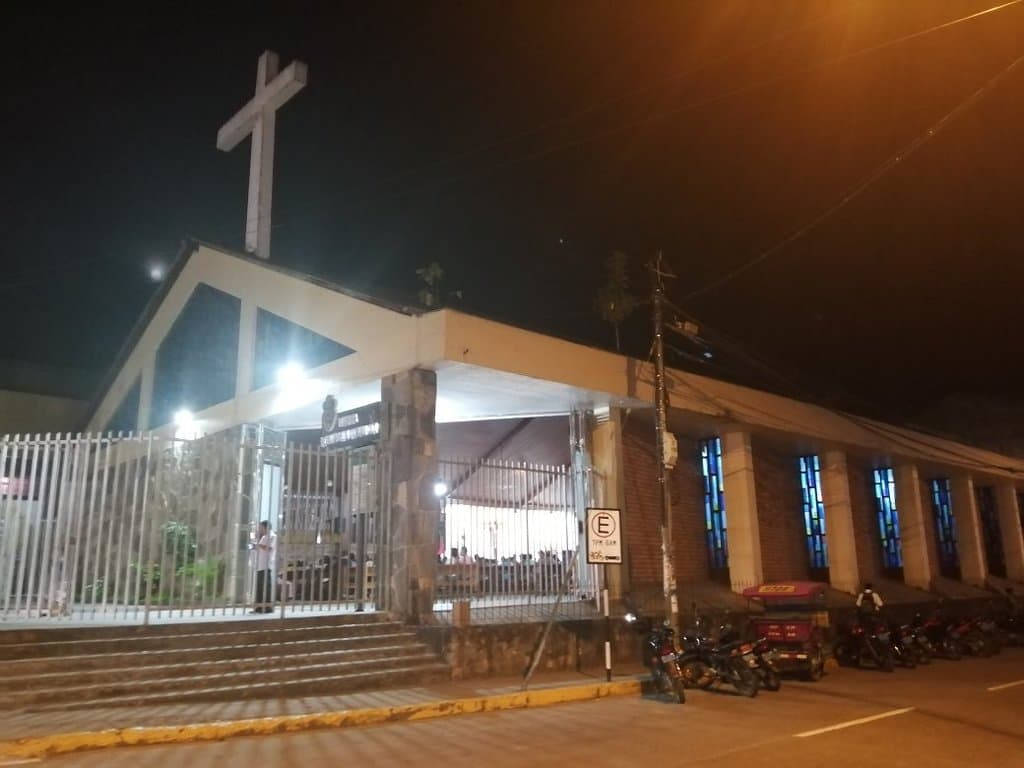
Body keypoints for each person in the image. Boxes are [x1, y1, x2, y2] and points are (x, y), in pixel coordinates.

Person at [253, 520, 277, 614]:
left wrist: (259, 545)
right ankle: (259, 607)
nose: (259, 529)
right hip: (260, 565)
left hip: (266, 565)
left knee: (265, 587)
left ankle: (267, 607)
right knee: (259, 586)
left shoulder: (273, 536)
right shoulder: (263, 537)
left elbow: (270, 548)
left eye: (261, 527)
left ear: (266, 527)